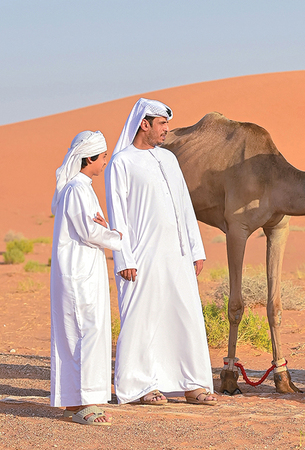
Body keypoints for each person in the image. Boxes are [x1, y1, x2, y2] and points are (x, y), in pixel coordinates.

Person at [105, 98, 217, 406]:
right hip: (142, 256)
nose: (167, 129)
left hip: (177, 255)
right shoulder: (122, 162)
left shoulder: (169, 159)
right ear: (145, 124)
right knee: (142, 320)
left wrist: (195, 249)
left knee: (186, 315)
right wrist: (124, 258)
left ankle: (193, 384)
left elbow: (184, 206)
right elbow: (117, 214)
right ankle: (141, 386)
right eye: (162, 124)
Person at [50, 131, 122, 425]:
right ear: (89, 158)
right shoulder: (77, 189)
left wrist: (105, 229)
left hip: (84, 271)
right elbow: (89, 230)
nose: (105, 161)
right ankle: (85, 403)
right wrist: (116, 235)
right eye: (103, 157)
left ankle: (74, 402)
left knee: (81, 333)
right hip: (78, 275)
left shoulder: (82, 188)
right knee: (85, 333)